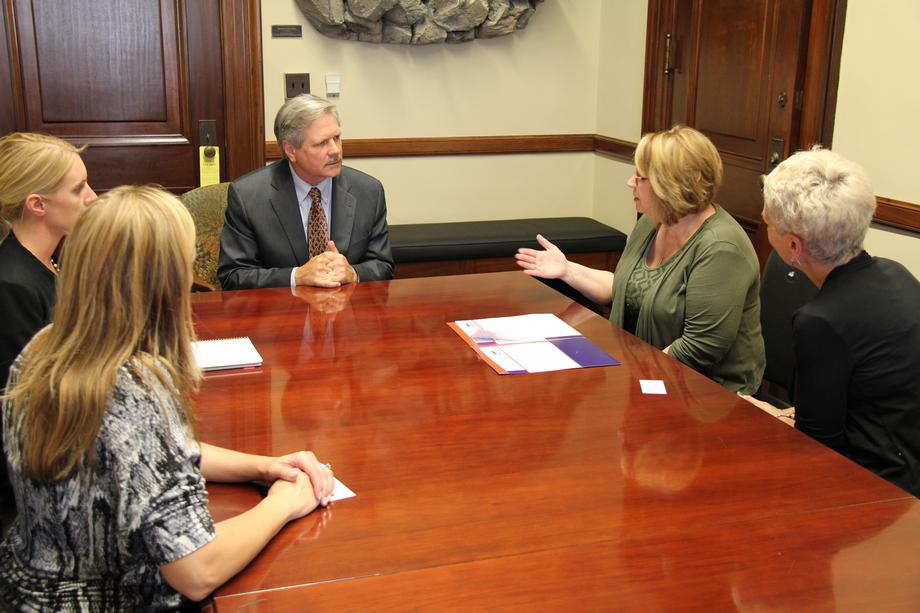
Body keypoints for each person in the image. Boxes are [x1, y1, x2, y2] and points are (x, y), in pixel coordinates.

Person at [0, 186, 336, 609]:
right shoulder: (135, 388)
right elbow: (196, 571)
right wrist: (284, 503)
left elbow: (147, 454)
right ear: (164, 280)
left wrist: (262, 466)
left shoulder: (45, 346)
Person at [516, 125, 764, 394]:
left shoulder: (721, 248)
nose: (630, 183)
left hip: (708, 395)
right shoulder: (652, 222)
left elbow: (700, 347)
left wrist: (634, 378)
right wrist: (567, 270)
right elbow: (625, 289)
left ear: (669, 186)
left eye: (639, 177)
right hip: (651, 376)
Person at [744, 148, 920, 497]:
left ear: (793, 245)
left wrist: (770, 417)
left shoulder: (820, 321)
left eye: (768, 223)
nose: (765, 226)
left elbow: (816, 445)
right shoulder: (896, 273)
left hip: (876, 489)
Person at [0, 132, 97, 528]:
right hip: (37, 491)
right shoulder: (12, 286)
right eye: (78, 189)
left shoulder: (48, 263)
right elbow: (28, 411)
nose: (91, 197)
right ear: (37, 204)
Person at [219, 94, 394, 289]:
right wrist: (296, 276)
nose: (335, 150)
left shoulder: (368, 191)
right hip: (282, 307)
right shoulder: (248, 196)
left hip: (347, 306)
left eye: (336, 138)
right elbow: (233, 275)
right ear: (290, 150)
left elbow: (383, 265)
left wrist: (354, 273)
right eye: (321, 143)